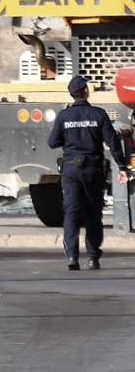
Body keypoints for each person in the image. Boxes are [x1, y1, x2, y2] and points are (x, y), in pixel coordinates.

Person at [47, 74, 131, 271]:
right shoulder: (99, 114)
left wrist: (69, 140)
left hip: (70, 170)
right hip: (93, 170)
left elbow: (52, 142)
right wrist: (122, 167)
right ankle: (93, 257)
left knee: (72, 213)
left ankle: (72, 257)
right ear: (86, 91)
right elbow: (112, 142)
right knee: (93, 213)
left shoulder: (64, 116)